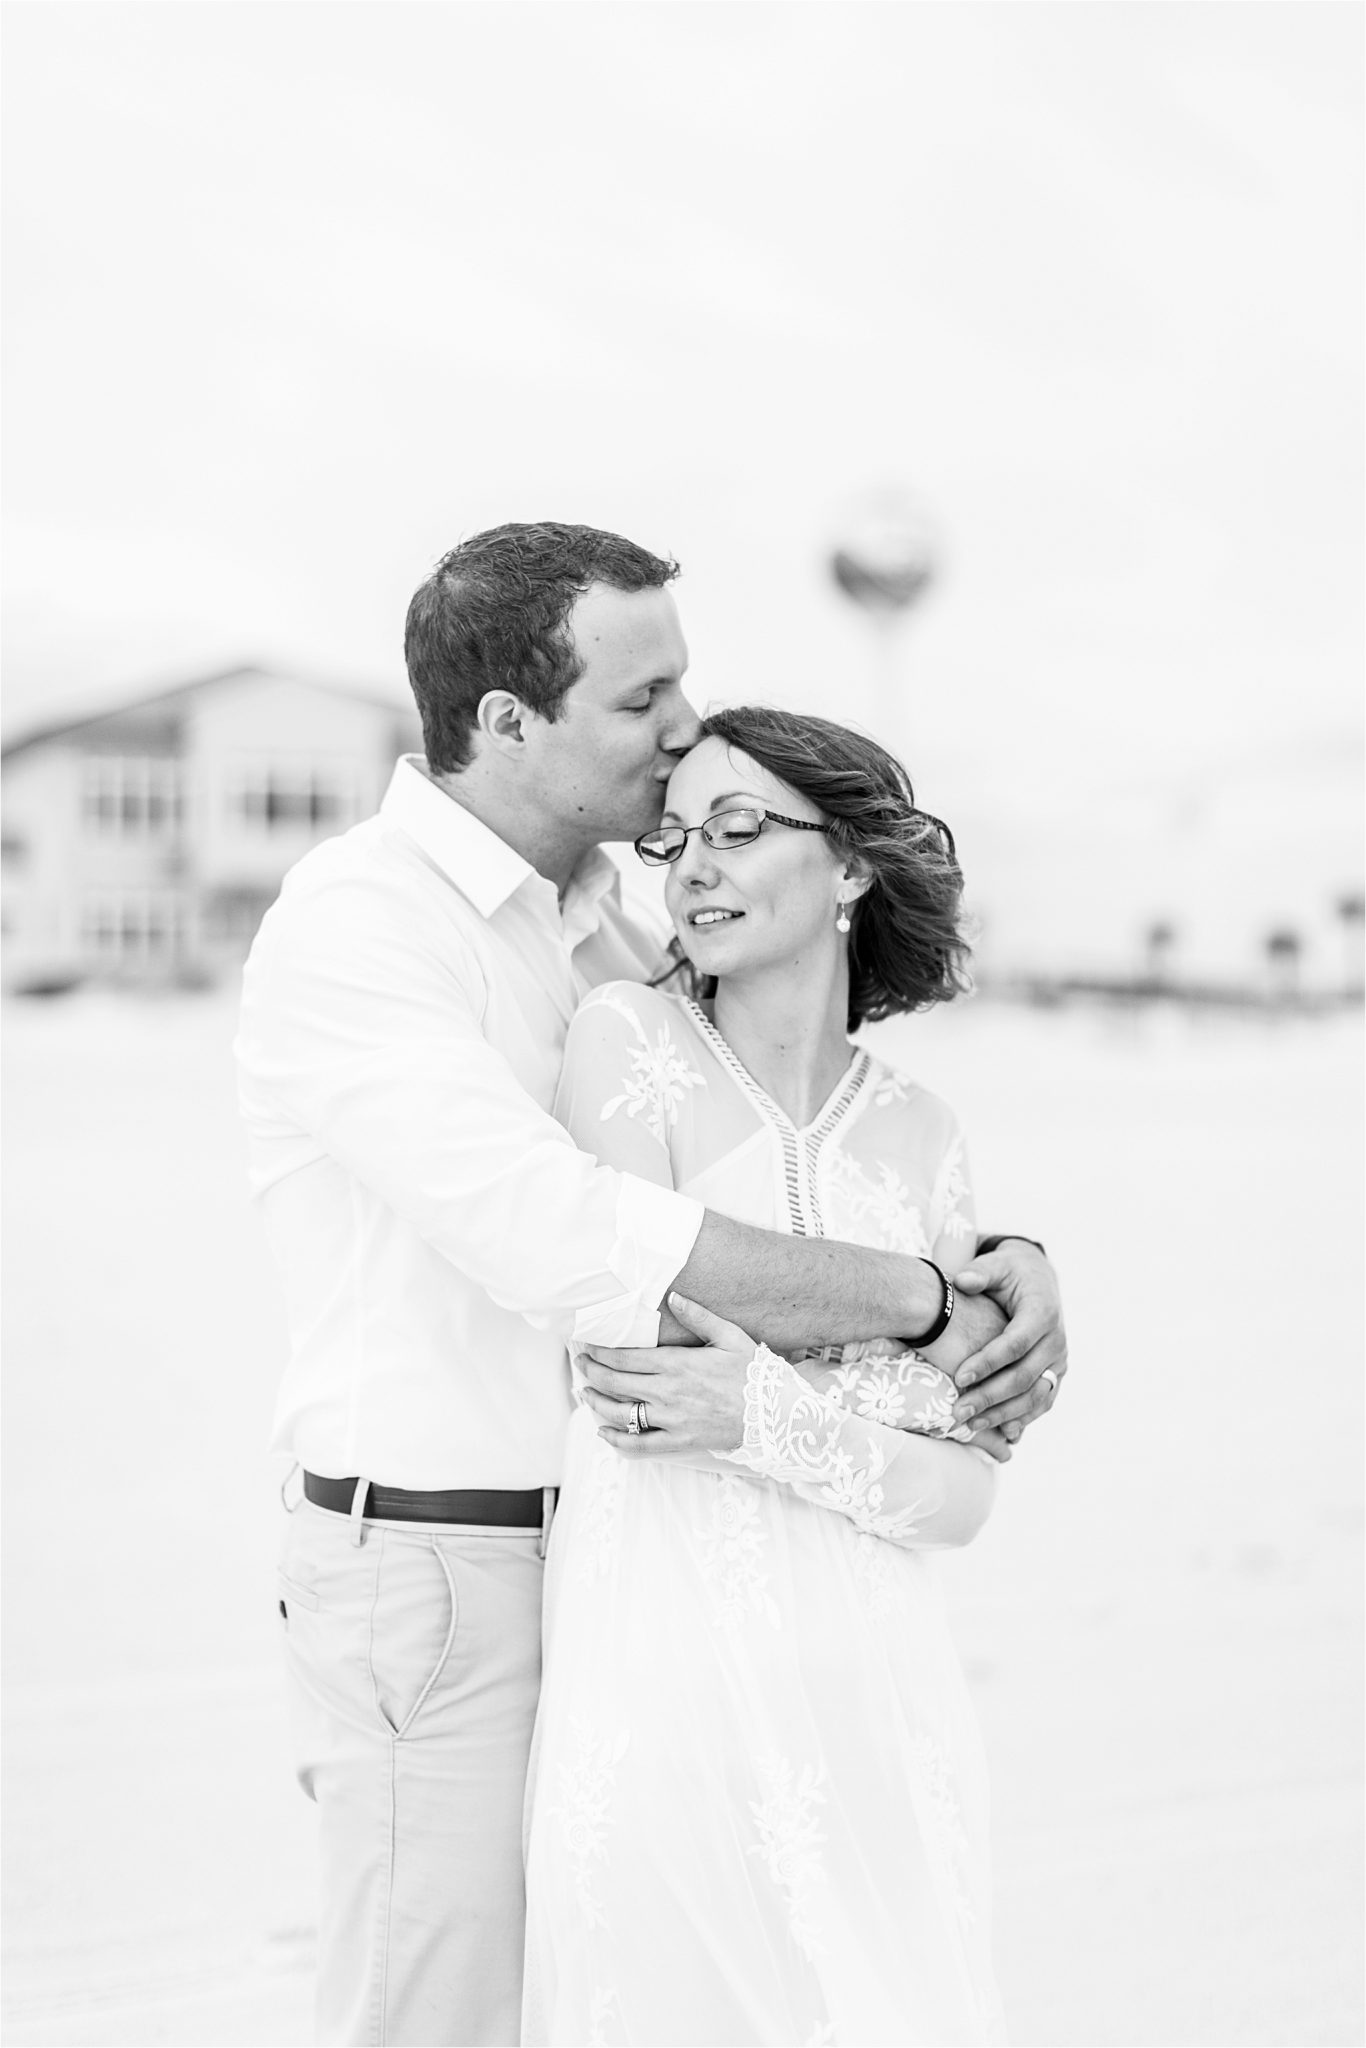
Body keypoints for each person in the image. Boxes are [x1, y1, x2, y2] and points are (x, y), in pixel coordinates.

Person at [235, 524, 1065, 2047]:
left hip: (628, 1569)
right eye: (644, 699)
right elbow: (571, 1240)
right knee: (441, 2015)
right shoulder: (362, 927)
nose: (682, 727)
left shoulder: (601, 928)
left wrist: (1005, 1271)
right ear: (506, 722)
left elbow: (790, 1109)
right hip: (437, 1563)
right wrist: (918, 1303)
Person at [524, 706, 1011, 2046]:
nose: (691, 866)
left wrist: (770, 1413)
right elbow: (641, 1361)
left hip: (873, 1697)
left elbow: (965, 1498)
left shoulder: (922, 1134)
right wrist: (883, 1386)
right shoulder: (627, 1046)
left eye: (740, 830)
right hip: (667, 1680)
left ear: (852, 865)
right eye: (675, 836)